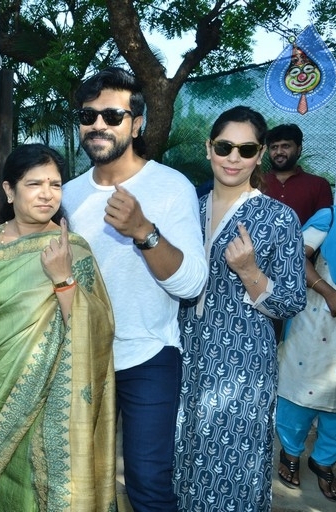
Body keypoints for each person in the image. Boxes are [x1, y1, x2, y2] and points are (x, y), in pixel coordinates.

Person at [61, 67, 208, 512]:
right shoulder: (66, 195)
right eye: (88, 116)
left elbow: (192, 284)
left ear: (137, 123)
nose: (98, 125)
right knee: (77, 476)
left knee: (147, 481)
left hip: (148, 355)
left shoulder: (170, 186)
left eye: (112, 115)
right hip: (81, 357)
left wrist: (144, 231)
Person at [0, 143, 116, 511]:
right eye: (35, 184)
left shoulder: (72, 249)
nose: (48, 194)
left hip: (47, 397)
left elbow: (95, 329)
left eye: (55, 184)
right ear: (9, 190)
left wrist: (64, 279)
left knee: (39, 490)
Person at [174, 106, 307, 511]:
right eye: (224, 146)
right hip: (181, 353)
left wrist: (250, 271)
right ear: (208, 149)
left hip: (242, 363)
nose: (234, 157)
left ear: (260, 154)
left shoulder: (278, 218)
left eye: (245, 148)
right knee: (180, 456)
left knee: (233, 464)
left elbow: (291, 300)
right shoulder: (185, 210)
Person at [275, 158, 336, 502]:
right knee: (299, 396)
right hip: (315, 320)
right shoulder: (330, 219)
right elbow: (294, 257)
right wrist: (329, 292)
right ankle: (289, 452)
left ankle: (323, 463)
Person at [264, 123, 333, 225]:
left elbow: (322, 225)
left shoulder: (318, 185)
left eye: (285, 146)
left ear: (299, 149)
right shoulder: (256, 183)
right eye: (274, 147)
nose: (278, 152)